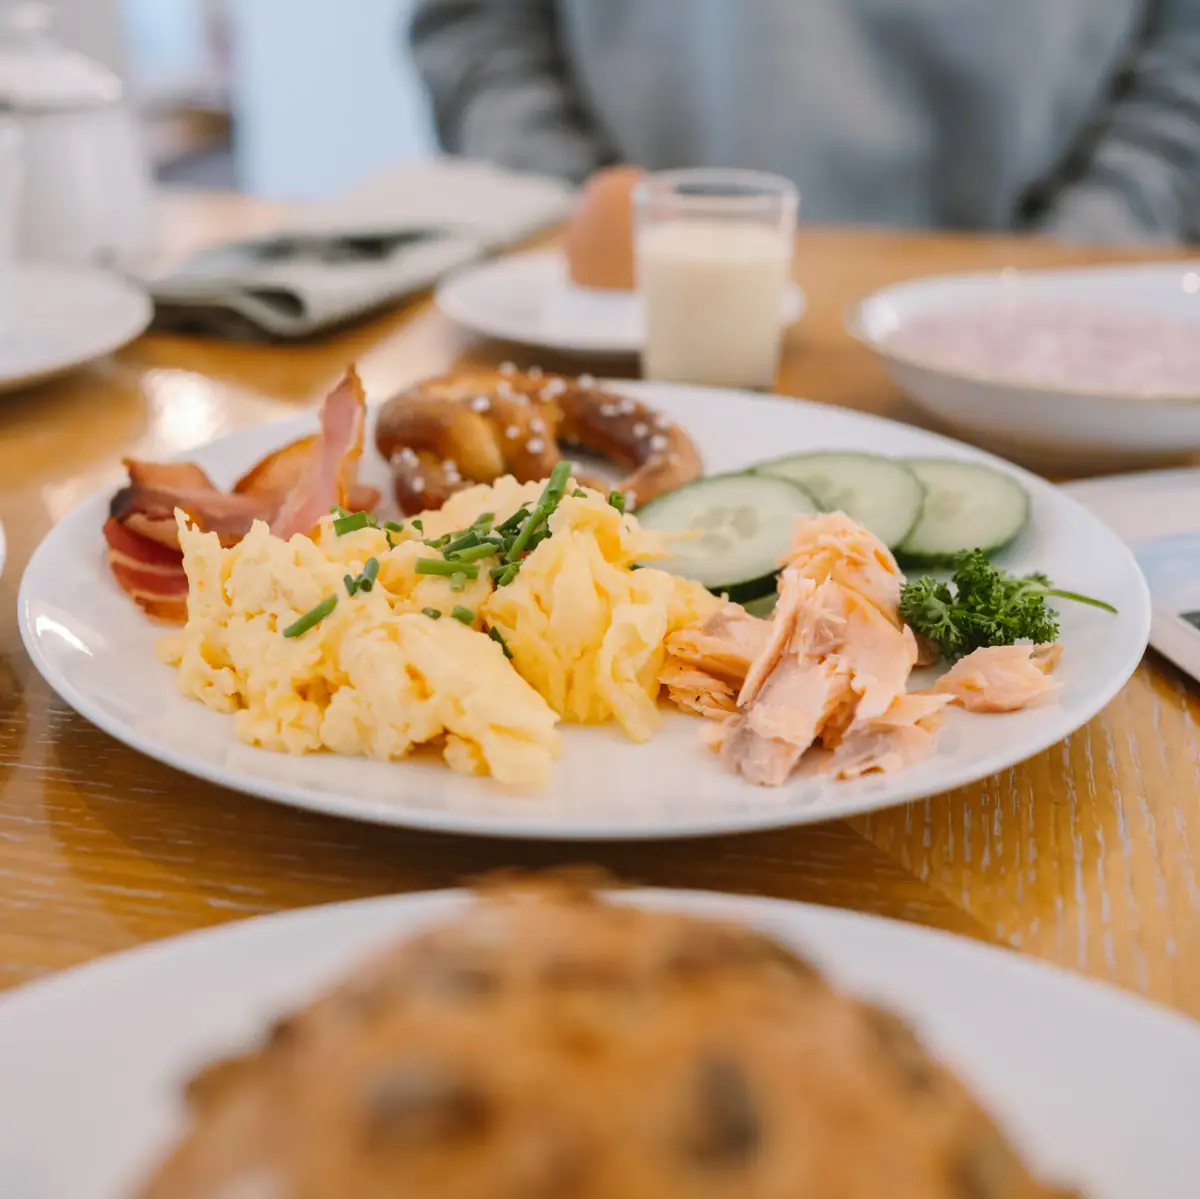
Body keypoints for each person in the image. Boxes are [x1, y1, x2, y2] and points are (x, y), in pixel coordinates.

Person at [408, 0, 1200, 243]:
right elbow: (481, 26)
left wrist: (1075, 262)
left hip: (1047, 323)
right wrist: (596, 224)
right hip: (622, 311)